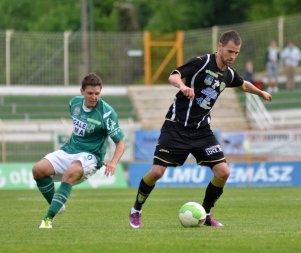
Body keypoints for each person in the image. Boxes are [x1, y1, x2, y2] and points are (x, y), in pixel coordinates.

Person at [128, 30, 272, 229]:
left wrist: (260, 92)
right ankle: (136, 210)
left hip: (202, 131)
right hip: (176, 127)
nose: (232, 56)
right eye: (230, 51)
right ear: (220, 46)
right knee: (157, 172)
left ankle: (206, 213)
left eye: (236, 53)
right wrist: (183, 87)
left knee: (223, 173)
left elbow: (243, 84)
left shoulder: (228, 74)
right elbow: (174, 76)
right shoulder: (202, 62)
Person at [33, 73, 126, 229]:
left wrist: (113, 163)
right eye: (90, 93)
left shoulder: (107, 113)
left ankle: (47, 219)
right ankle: (57, 204)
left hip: (90, 156)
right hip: (70, 149)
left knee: (70, 173)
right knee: (38, 170)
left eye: (97, 93)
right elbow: (79, 128)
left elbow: (120, 142)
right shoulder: (74, 104)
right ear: (82, 91)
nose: (94, 97)